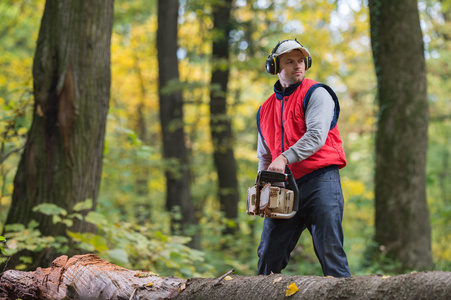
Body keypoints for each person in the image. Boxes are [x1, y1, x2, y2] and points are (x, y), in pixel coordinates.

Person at [256, 39, 351, 278]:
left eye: (301, 61)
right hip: (284, 188)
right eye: (289, 61)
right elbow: (265, 155)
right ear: (275, 67)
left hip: (321, 182)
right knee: (268, 256)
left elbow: (317, 136)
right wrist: (263, 184)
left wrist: (286, 157)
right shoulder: (265, 109)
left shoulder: (317, 93)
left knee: (331, 253)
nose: (298, 66)